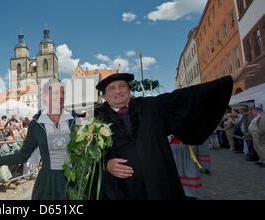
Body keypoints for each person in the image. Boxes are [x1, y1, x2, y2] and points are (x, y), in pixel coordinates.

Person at [93, 63, 260, 200]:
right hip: (121, 191)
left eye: (122, 86)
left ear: (129, 91)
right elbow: (87, 159)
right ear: (105, 97)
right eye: (112, 88)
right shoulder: (94, 122)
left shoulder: (151, 107)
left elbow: (187, 95)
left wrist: (230, 79)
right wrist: (105, 165)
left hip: (160, 185)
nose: (118, 91)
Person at [0, 79, 79, 200]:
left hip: (71, 181)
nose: (61, 96)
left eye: (63, 92)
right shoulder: (36, 124)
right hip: (47, 182)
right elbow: (22, 155)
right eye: (56, 93)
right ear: (45, 97)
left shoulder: (74, 120)